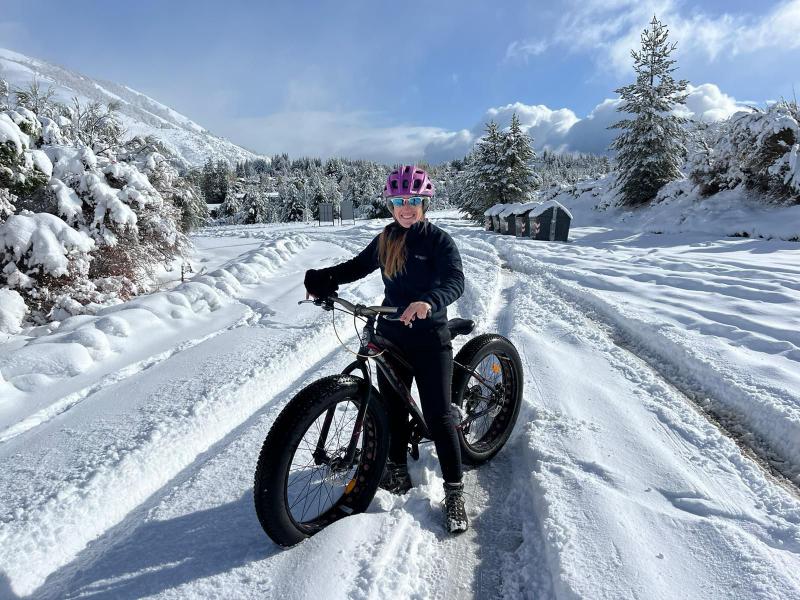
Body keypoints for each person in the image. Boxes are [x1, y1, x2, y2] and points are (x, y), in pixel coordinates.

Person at [303, 165, 468, 534]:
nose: (405, 208)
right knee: (392, 407)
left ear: (425, 202)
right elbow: (356, 267)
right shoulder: (385, 239)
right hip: (391, 334)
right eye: (398, 201)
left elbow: (455, 281)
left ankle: (455, 491)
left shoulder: (439, 241)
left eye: (412, 201)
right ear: (390, 204)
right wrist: (324, 278)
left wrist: (428, 301)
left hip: (429, 339)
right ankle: (395, 470)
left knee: (439, 416)